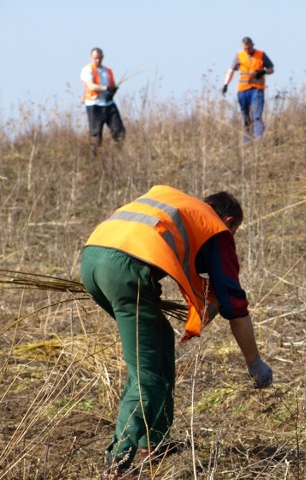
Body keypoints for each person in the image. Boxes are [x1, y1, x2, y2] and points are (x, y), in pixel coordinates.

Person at [80, 186, 273, 479]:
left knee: (159, 342)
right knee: (147, 373)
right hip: (124, 271)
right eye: (233, 233)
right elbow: (234, 304)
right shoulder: (215, 229)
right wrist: (254, 362)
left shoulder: (180, 207)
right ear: (230, 221)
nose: (229, 240)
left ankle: (154, 442)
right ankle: (116, 465)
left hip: (92, 260)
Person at [222, 37, 274, 142]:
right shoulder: (239, 56)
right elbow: (231, 70)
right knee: (246, 117)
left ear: (252, 45)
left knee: (256, 115)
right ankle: (247, 141)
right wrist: (225, 84)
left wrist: (263, 72)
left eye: (249, 48)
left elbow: (271, 69)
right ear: (243, 47)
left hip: (257, 90)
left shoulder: (261, 55)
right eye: (245, 48)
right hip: (242, 90)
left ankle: (259, 139)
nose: (247, 50)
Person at [80, 47, 126, 154]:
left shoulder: (108, 70)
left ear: (103, 57)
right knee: (95, 135)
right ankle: (94, 160)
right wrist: (106, 88)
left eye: (100, 58)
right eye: (96, 58)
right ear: (91, 57)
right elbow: (91, 86)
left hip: (109, 104)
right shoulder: (87, 70)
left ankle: (118, 155)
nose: (98, 60)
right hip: (94, 105)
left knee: (119, 131)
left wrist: (112, 91)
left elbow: (112, 85)